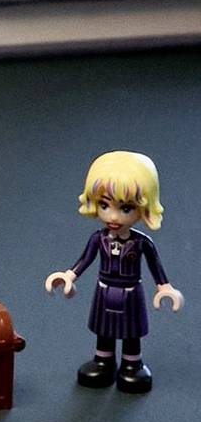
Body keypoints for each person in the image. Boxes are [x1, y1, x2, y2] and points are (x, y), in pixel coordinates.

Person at [45, 149, 181, 393]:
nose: (113, 216)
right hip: (104, 290)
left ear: (144, 207)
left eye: (126, 208)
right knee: (104, 329)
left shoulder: (142, 243)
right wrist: (68, 276)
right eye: (104, 205)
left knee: (131, 331)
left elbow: (155, 266)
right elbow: (85, 260)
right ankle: (103, 361)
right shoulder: (98, 239)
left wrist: (165, 288)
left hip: (131, 292)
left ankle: (132, 365)